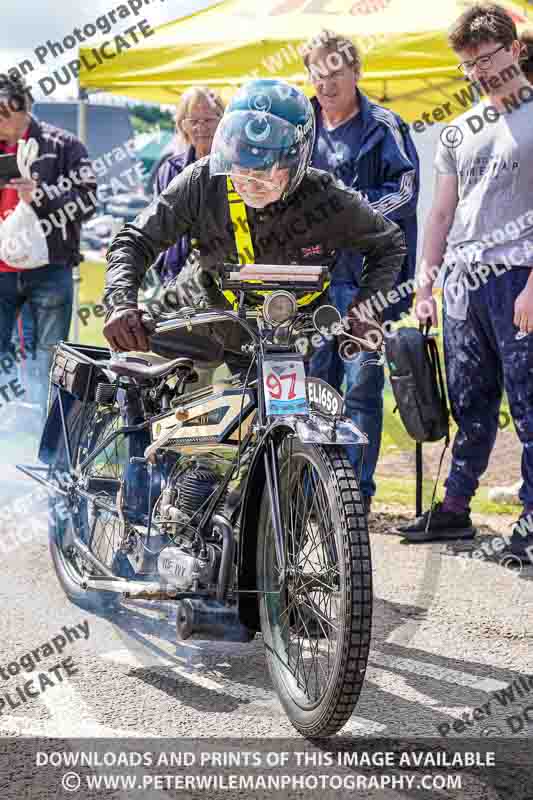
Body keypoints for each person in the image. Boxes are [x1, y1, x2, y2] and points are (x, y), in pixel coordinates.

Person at [103, 79, 406, 396]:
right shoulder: (204, 179)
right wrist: (121, 304)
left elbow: (388, 243)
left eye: (262, 173)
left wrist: (366, 307)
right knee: (154, 402)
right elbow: (135, 240)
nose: (248, 182)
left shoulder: (327, 198)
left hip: (284, 335)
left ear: (296, 162)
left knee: (281, 426)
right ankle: (137, 441)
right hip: (202, 319)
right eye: (238, 169)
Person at [400, 4, 533, 563]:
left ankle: (531, 518)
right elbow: (439, 215)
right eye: (467, 64)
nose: (478, 71)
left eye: (485, 58)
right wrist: (425, 285)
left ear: (516, 49)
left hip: (519, 275)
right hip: (462, 282)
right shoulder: (459, 130)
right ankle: (454, 508)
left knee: (528, 407)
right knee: (469, 403)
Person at [303, 30, 419, 514]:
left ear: (356, 73)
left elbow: (407, 191)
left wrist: (351, 216)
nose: (326, 83)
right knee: (312, 389)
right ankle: (307, 494)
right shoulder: (298, 123)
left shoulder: (385, 125)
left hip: (372, 283)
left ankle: (355, 499)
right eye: (318, 73)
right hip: (309, 285)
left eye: (336, 73)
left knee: (363, 389)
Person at [0, 74, 97, 428]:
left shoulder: (64, 145)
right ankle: (10, 424)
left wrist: (40, 196)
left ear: (22, 108)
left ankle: (46, 427)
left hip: (49, 268)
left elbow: (88, 201)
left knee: (49, 353)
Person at [151, 87, 225, 287]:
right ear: (182, 126)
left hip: (225, 278)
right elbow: (158, 225)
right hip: (175, 278)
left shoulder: (237, 167)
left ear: (223, 122)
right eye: (193, 121)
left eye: (209, 120)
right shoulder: (169, 170)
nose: (201, 128)